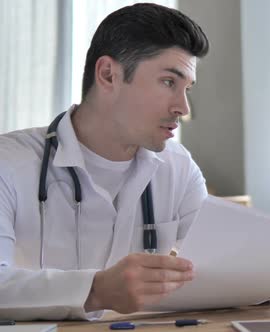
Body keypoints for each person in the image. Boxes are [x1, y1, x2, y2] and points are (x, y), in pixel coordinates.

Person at [0, 3, 209, 320]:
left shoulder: (179, 169)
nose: (183, 107)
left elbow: (217, 273)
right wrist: (95, 290)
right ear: (108, 74)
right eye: (169, 82)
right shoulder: (9, 163)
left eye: (187, 88)